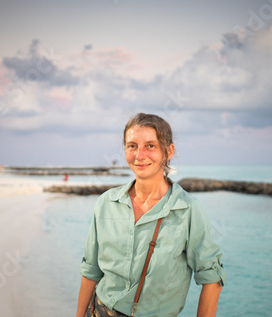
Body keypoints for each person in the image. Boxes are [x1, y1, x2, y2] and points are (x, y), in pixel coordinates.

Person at [76, 113, 226, 317]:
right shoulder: (106, 203)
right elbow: (91, 272)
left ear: (169, 151)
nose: (139, 155)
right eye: (132, 146)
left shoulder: (188, 209)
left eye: (150, 146)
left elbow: (212, 279)